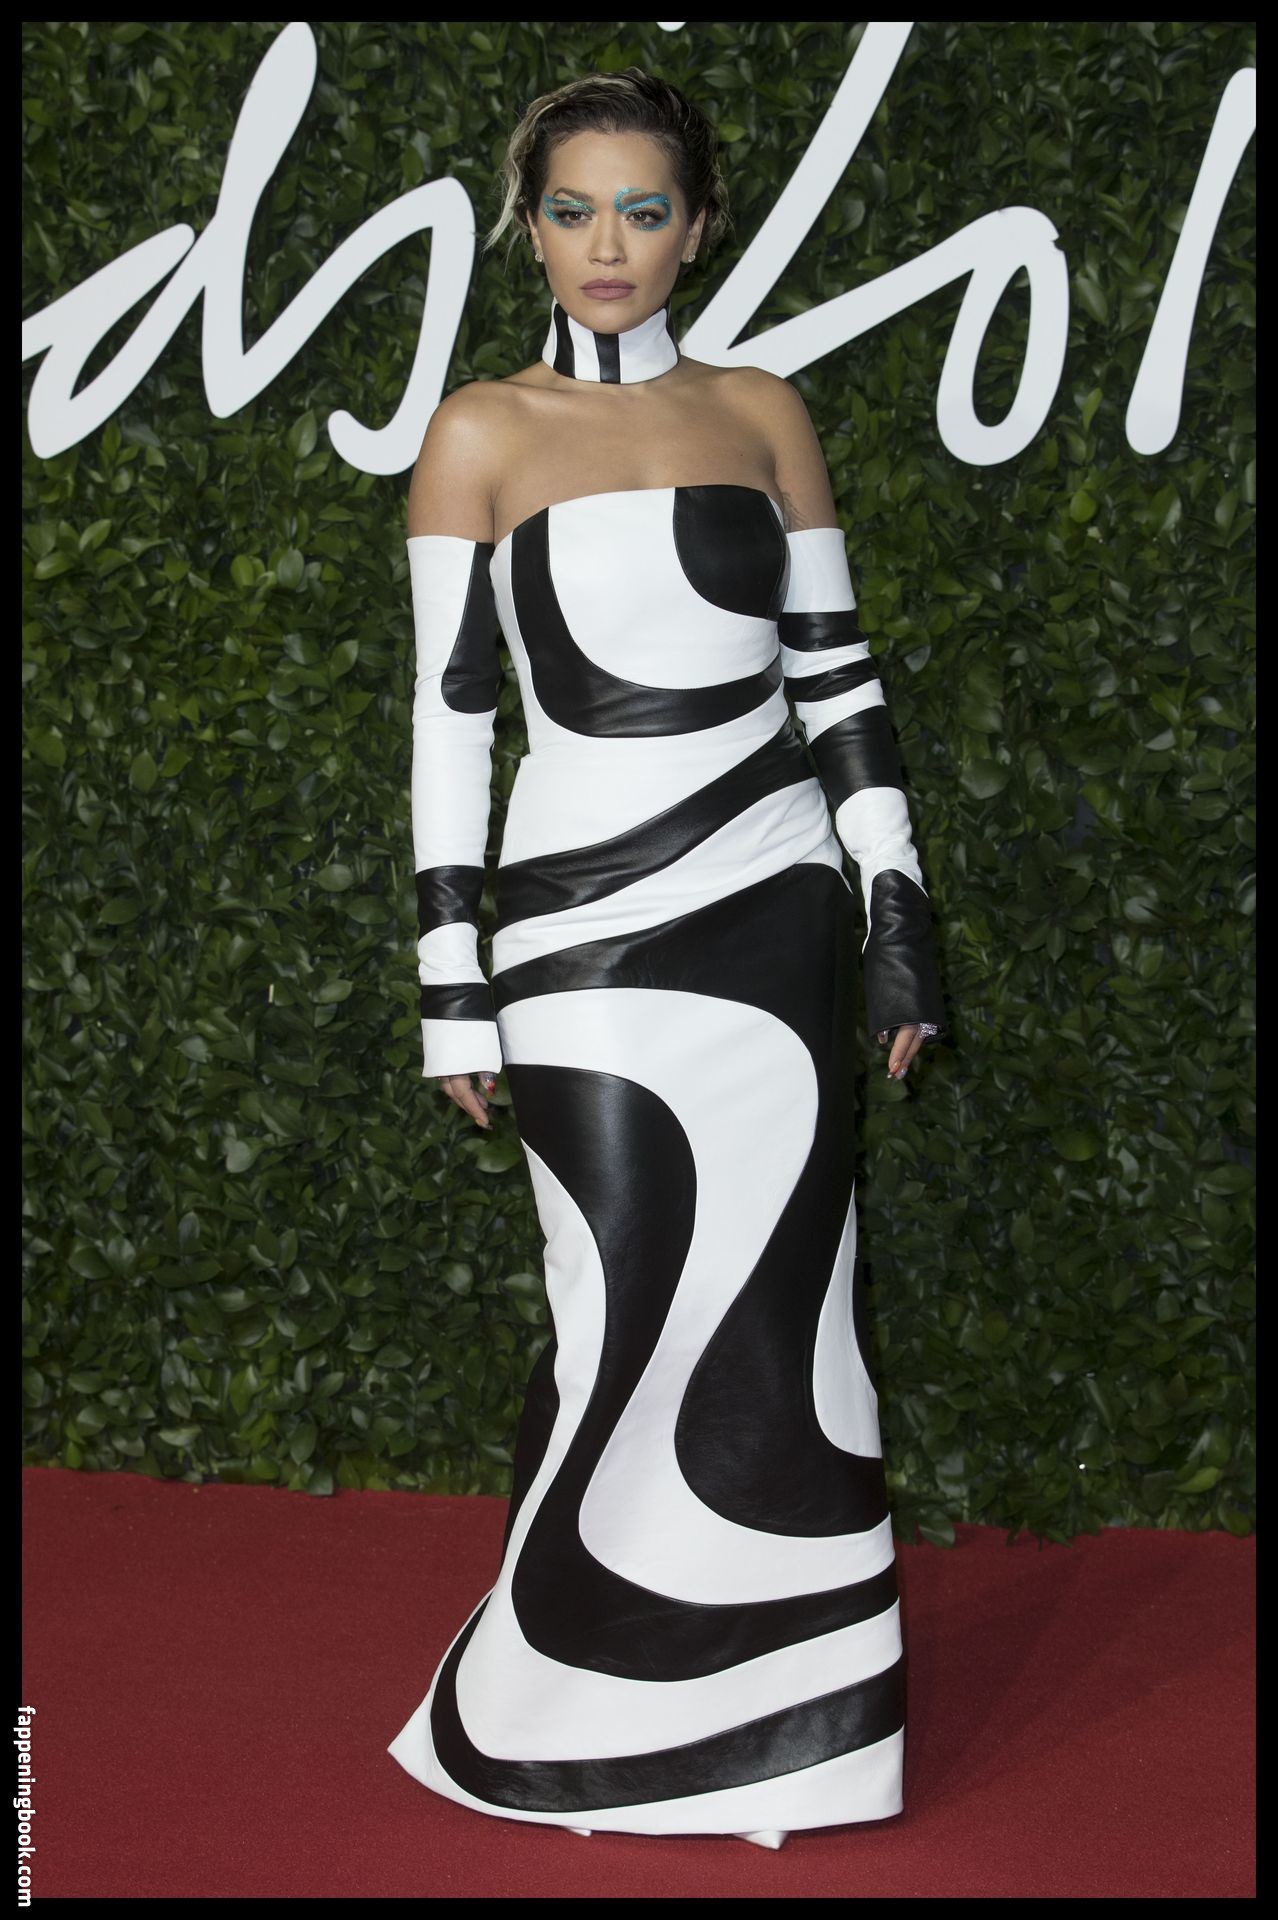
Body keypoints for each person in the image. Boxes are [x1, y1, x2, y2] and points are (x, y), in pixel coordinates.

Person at [387, 67, 946, 1851]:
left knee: (785, 1316)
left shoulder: (764, 411)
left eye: (642, 208)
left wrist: (896, 911)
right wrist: (450, 981)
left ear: (697, 224)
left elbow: (834, 676)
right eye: (572, 210)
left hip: (773, 912)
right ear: (528, 227)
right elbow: (451, 723)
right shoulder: (477, 432)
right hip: (579, 928)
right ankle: (568, 1707)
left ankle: (796, 1737)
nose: (606, 244)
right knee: (615, 1301)